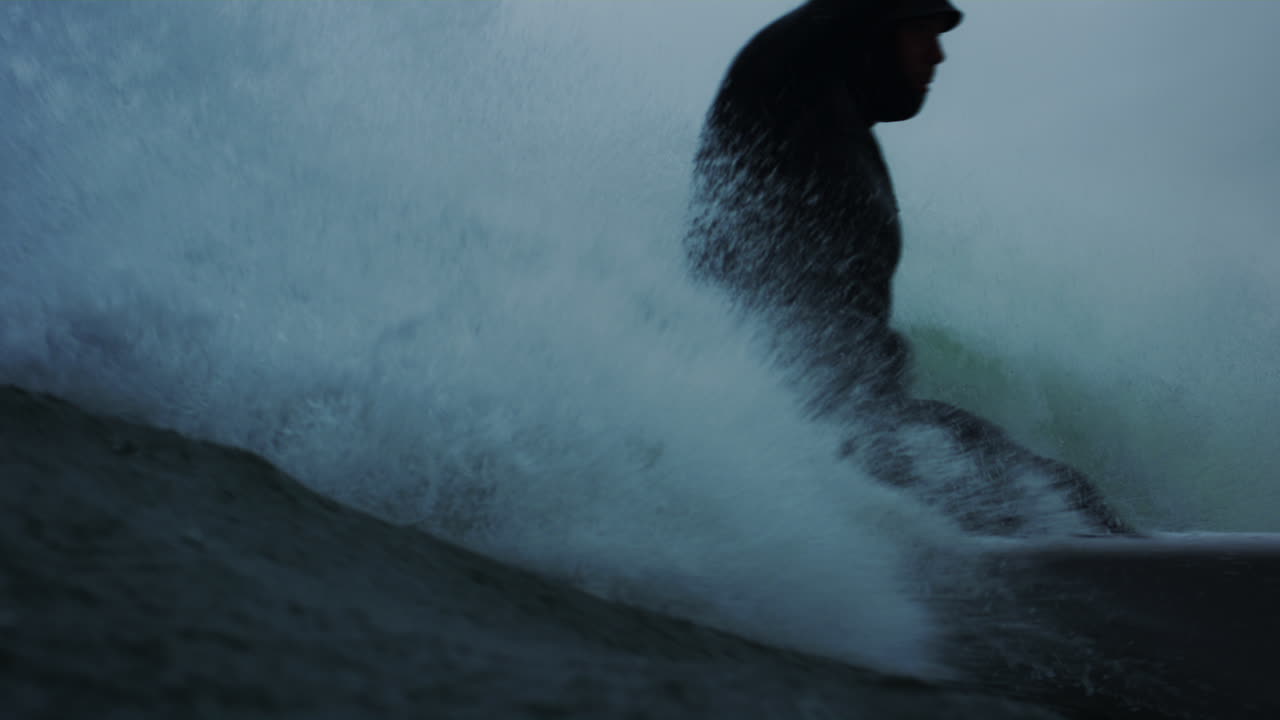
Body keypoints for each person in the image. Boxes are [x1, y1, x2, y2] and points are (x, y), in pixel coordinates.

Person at [686, 0, 1131, 535]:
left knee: (1053, 491)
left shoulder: (840, 132)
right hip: (805, 422)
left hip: (841, 418)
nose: (939, 54)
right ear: (867, 32)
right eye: (921, 31)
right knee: (1045, 494)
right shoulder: (787, 89)